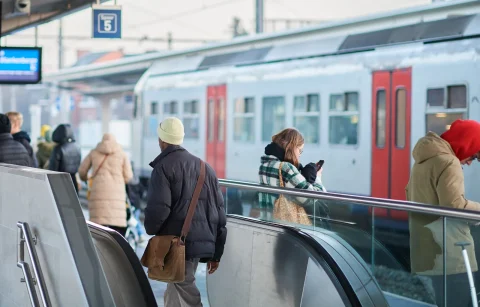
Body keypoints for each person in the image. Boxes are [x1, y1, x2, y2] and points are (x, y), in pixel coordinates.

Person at [145, 117, 227, 307]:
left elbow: (160, 208)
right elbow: (220, 213)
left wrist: (151, 228)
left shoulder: (163, 167)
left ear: (162, 140)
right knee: (175, 289)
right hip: (201, 241)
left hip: (178, 242)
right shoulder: (205, 167)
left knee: (184, 288)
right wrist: (217, 251)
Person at [406, 119, 480, 307]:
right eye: (473, 156)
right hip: (451, 251)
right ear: (466, 144)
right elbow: (455, 205)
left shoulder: (424, 159)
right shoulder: (449, 162)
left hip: (430, 248)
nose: (470, 163)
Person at [257, 128, 326, 221]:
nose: (300, 155)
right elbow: (312, 199)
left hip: (267, 223)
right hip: (286, 227)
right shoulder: (286, 168)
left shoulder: (264, 166)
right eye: (300, 150)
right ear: (292, 147)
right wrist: (317, 177)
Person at [78, 133, 133, 237]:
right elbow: (128, 176)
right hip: (117, 200)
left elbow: (82, 171)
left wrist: (86, 178)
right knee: (116, 238)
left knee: (98, 236)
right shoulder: (122, 154)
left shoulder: (93, 153)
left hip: (98, 199)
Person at [49, 124, 82, 194]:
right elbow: (79, 165)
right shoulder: (77, 147)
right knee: (74, 203)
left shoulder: (59, 148)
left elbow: (52, 169)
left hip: (60, 183)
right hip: (73, 181)